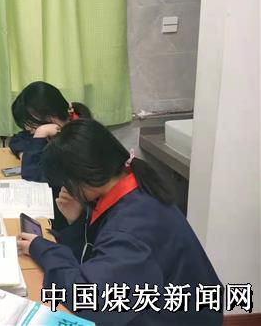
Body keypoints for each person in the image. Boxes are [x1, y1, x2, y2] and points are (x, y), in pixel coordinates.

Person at [17, 119, 222, 325]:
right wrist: (76, 222)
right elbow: (94, 262)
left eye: (66, 182)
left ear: (81, 178)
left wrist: (44, 250)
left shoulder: (131, 227)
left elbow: (91, 300)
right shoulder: (133, 185)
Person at [9, 81, 92, 229]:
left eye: (31, 123)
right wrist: (25, 152)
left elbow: (34, 179)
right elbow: (17, 139)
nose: (28, 129)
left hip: (73, 219)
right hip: (57, 206)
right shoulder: (59, 126)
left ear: (50, 115)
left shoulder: (76, 141)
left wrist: (39, 135)